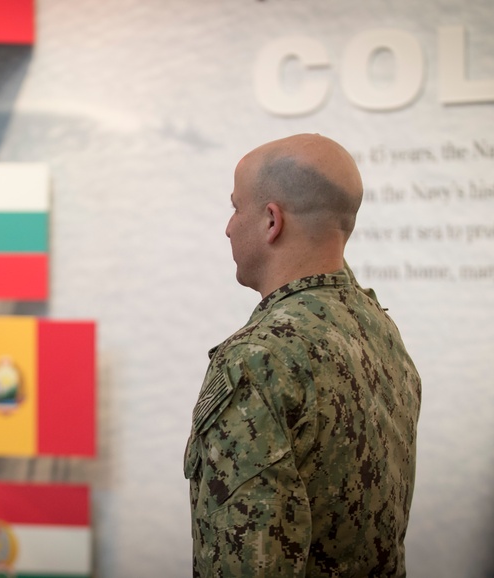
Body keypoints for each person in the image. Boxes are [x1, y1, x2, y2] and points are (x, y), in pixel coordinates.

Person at [184, 134, 421, 577]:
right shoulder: (379, 329)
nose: (229, 226)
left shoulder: (256, 361)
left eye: (237, 207)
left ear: (272, 221)